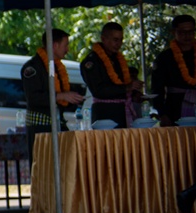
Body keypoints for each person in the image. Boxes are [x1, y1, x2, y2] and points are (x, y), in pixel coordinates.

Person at [21, 29, 85, 163]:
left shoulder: (56, 67)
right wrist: (60, 96)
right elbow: (33, 98)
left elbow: (64, 94)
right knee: (43, 166)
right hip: (40, 129)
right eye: (65, 45)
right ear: (55, 45)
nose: (67, 49)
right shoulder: (32, 67)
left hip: (57, 124)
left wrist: (72, 97)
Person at [80, 22, 144, 128]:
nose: (119, 44)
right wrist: (127, 87)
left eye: (121, 40)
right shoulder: (92, 61)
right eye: (115, 40)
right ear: (103, 39)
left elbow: (124, 86)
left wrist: (134, 92)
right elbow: (98, 90)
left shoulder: (118, 59)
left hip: (122, 113)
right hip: (105, 114)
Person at [151, 15, 196, 126]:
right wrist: (162, 114)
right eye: (182, 32)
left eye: (191, 31)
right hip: (175, 109)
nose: (187, 36)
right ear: (174, 32)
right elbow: (157, 89)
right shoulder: (164, 57)